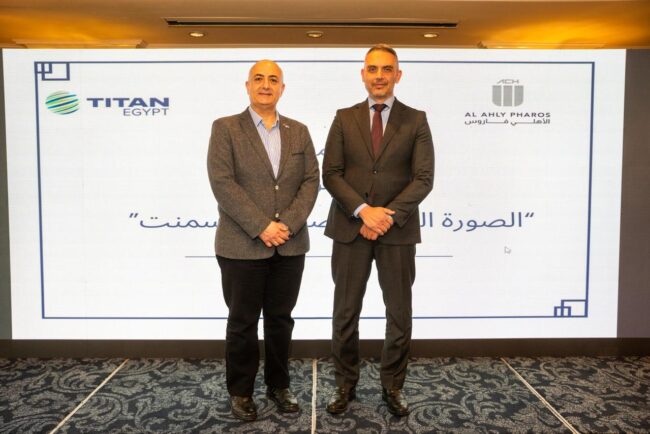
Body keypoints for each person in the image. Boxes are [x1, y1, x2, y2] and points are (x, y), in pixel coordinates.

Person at [322, 44, 434, 417]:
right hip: (350, 229)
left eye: (387, 69)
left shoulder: (416, 120)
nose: (380, 76)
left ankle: (393, 386)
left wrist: (385, 216)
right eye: (373, 69)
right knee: (345, 313)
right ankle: (345, 385)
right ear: (363, 74)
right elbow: (331, 173)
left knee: (399, 314)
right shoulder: (343, 118)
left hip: (396, 232)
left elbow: (423, 178)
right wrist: (363, 212)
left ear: (398, 75)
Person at [207, 59, 319, 421]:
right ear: (248, 86)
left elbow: (310, 181)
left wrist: (286, 224)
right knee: (242, 322)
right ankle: (241, 391)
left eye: (273, 79)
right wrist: (261, 226)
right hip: (241, 245)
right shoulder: (225, 128)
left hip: (290, 243)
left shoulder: (298, 131)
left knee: (280, 319)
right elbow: (222, 183)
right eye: (259, 78)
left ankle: (278, 384)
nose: (266, 85)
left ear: (282, 88)